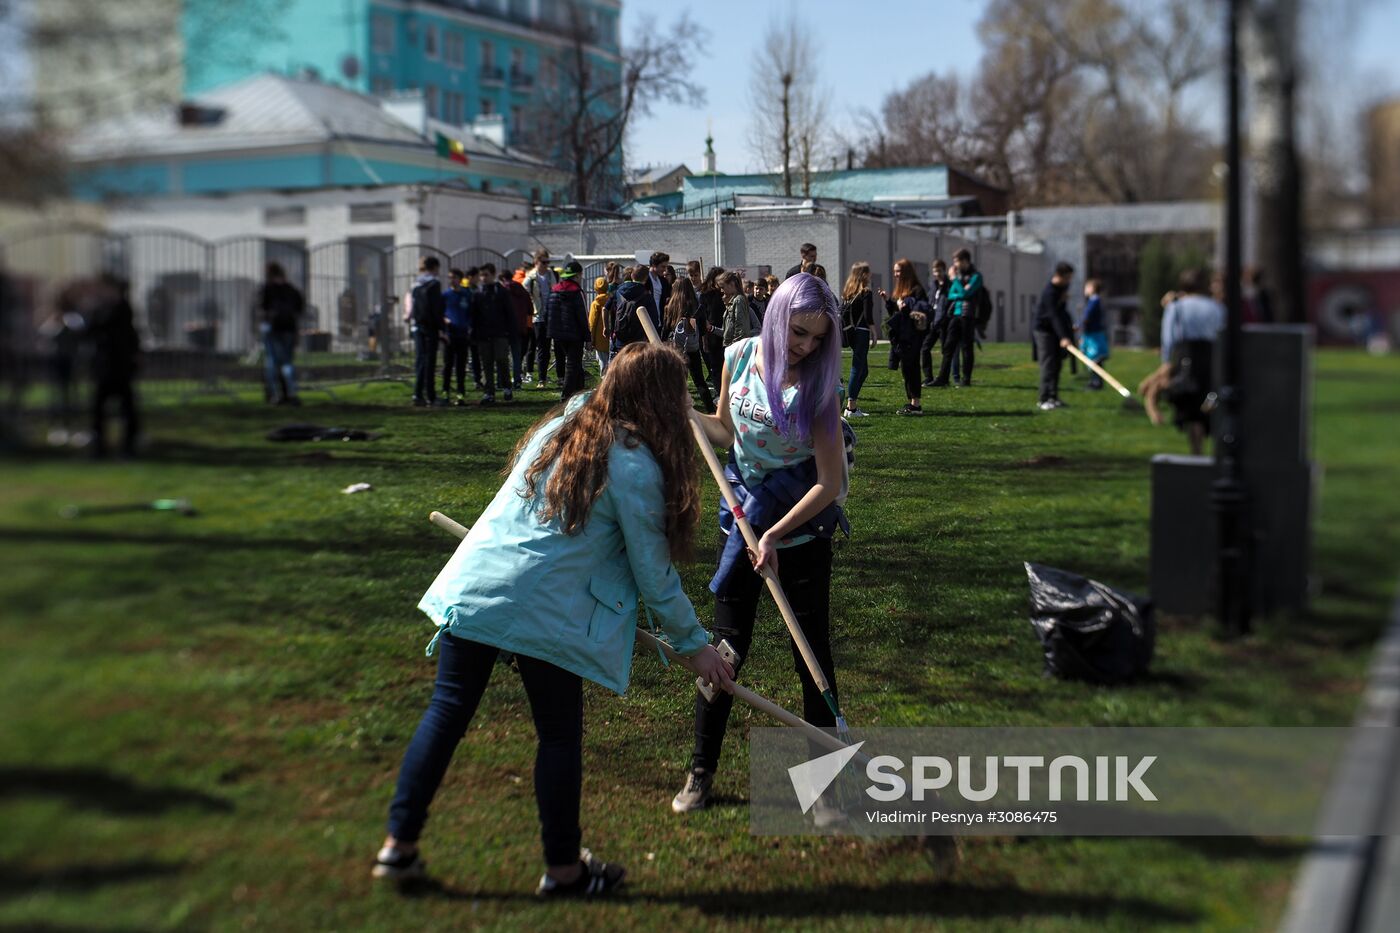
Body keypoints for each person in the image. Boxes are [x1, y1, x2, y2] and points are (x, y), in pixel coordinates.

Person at [373, 342, 736, 896]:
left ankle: (397, 848)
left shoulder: (566, 426)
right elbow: (655, 577)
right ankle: (565, 870)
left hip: (480, 586)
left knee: (446, 713)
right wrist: (696, 646)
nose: (688, 404)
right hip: (543, 610)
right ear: (660, 399)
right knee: (558, 735)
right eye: (681, 394)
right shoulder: (635, 465)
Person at [672, 272, 848, 815]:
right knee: (723, 653)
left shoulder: (819, 386)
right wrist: (683, 411)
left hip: (798, 531)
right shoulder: (739, 355)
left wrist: (775, 533)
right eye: (799, 332)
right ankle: (700, 771)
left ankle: (823, 787)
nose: (806, 346)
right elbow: (724, 429)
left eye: (818, 338)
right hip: (742, 522)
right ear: (775, 319)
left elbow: (830, 481)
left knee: (811, 657)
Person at [1159, 268, 1225, 454]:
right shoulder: (1215, 306)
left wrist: (1166, 361)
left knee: (1189, 403)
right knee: (1208, 397)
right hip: (1210, 356)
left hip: (1186, 355)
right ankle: (1208, 434)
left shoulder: (1177, 306)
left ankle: (1196, 448)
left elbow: (1168, 337)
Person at [88, 274, 141, 457]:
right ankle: (99, 445)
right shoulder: (100, 308)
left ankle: (129, 445)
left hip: (119, 365)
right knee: (99, 408)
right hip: (104, 365)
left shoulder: (122, 308)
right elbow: (91, 330)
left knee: (126, 407)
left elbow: (121, 333)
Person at [878, 258, 929, 415]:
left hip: (913, 335)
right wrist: (888, 301)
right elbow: (895, 313)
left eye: (898, 271)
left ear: (906, 272)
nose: (895, 274)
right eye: (894, 271)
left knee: (911, 368)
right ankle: (912, 403)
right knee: (906, 368)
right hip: (903, 335)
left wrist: (904, 307)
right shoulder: (901, 290)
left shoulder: (917, 290)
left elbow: (920, 312)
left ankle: (916, 404)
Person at [258, 262, 306, 406]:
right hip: (289, 328)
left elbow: (262, 307)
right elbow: (300, 308)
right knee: (287, 362)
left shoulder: (267, 288)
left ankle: (274, 393)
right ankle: (291, 392)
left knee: (272, 361)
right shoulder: (291, 289)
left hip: (273, 328)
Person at [933, 249, 982, 388]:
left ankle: (966, 379)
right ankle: (943, 378)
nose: (954, 264)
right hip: (955, 314)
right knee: (948, 346)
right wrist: (960, 292)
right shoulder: (959, 277)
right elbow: (951, 295)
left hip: (968, 315)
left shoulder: (976, 276)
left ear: (965, 261)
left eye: (956, 261)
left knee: (966, 347)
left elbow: (966, 293)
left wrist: (955, 281)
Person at [666, 277, 714, 412]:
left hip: (675, 348)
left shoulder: (671, 306)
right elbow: (703, 329)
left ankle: (675, 409)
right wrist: (703, 343)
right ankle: (710, 409)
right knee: (699, 381)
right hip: (693, 347)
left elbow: (666, 328)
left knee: (675, 380)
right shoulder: (697, 307)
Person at [1032, 262, 1076, 410]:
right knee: (1048, 364)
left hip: (1055, 330)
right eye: (1068, 278)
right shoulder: (1049, 292)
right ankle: (1043, 399)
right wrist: (1063, 336)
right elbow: (1053, 316)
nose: (1069, 281)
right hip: (1044, 330)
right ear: (1059, 276)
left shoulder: (1063, 288)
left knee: (1057, 364)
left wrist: (1067, 330)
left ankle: (1053, 397)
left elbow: (1061, 312)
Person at [545, 260, 590, 400]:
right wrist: (588, 338)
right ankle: (566, 394)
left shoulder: (554, 289)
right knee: (572, 364)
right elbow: (583, 316)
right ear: (577, 275)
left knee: (573, 364)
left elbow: (548, 312)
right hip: (574, 334)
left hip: (557, 333)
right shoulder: (577, 292)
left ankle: (580, 390)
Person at [405, 256, 445, 407]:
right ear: (435, 267)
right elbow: (435, 308)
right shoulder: (434, 283)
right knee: (430, 361)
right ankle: (431, 396)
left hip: (417, 326)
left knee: (420, 360)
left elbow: (413, 306)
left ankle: (417, 394)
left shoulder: (416, 283)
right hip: (430, 327)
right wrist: (442, 327)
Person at [473, 264, 515, 405]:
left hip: (500, 333)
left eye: (486, 275)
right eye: (481, 275)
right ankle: (489, 392)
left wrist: (510, 332)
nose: (483, 278)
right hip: (484, 335)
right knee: (487, 364)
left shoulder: (501, 292)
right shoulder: (478, 293)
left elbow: (509, 313)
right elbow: (475, 314)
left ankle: (507, 386)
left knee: (502, 360)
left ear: (493, 274)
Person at [840, 261, 874, 418]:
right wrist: (874, 332)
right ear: (864, 274)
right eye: (868, 272)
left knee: (863, 370)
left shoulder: (848, 292)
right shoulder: (865, 292)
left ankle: (851, 405)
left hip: (851, 333)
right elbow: (868, 315)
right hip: (861, 331)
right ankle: (851, 407)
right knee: (857, 367)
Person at [525, 250, 560, 389]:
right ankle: (542, 379)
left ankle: (560, 377)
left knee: (557, 347)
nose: (546, 265)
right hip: (538, 316)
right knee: (542, 349)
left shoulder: (552, 275)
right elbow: (524, 291)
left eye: (547, 262)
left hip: (552, 315)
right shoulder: (531, 277)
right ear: (536, 262)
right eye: (543, 262)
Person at [442, 268, 474, 406]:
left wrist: (470, 327)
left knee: (461, 366)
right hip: (450, 335)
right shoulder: (445, 295)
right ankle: (446, 392)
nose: (452, 280)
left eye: (454, 277)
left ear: (460, 279)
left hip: (463, 334)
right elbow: (440, 313)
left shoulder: (466, 294)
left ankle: (460, 393)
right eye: (450, 277)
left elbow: (472, 312)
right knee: (448, 365)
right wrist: (445, 322)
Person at [922, 259, 951, 386]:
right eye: (935, 271)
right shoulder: (933, 285)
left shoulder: (949, 286)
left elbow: (946, 305)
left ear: (944, 270)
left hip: (944, 323)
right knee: (925, 348)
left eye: (939, 270)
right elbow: (930, 302)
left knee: (946, 351)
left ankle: (943, 379)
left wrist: (942, 319)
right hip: (933, 322)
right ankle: (928, 377)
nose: (937, 273)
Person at [697, 266, 726, 392]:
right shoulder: (711, 294)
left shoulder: (710, 294)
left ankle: (721, 392)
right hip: (714, 332)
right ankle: (720, 392)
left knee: (718, 367)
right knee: (718, 366)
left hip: (717, 332)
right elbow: (703, 316)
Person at [1078, 278, 1108, 390]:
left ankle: (1096, 382)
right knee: (1092, 359)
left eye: (1087, 287)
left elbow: (1087, 317)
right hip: (1091, 335)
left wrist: (1078, 325)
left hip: (1094, 336)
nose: (1085, 289)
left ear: (1092, 288)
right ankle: (1094, 381)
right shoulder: (1092, 301)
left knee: (1095, 358)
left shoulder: (1095, 301)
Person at [588, 275, 612, 375]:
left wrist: (591, 338)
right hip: (610, 335)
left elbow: (592, 323)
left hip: (599, 337)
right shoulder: (612, 300)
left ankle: (604, 380)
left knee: (602, 360)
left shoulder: (595, 303)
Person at [720, 271, 750, 347]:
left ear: (731, 285)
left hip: (736, 346)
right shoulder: (733, 301)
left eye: (723, 287)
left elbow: (740, 327)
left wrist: (734, 346)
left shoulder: (738, 300)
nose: (721, 290)